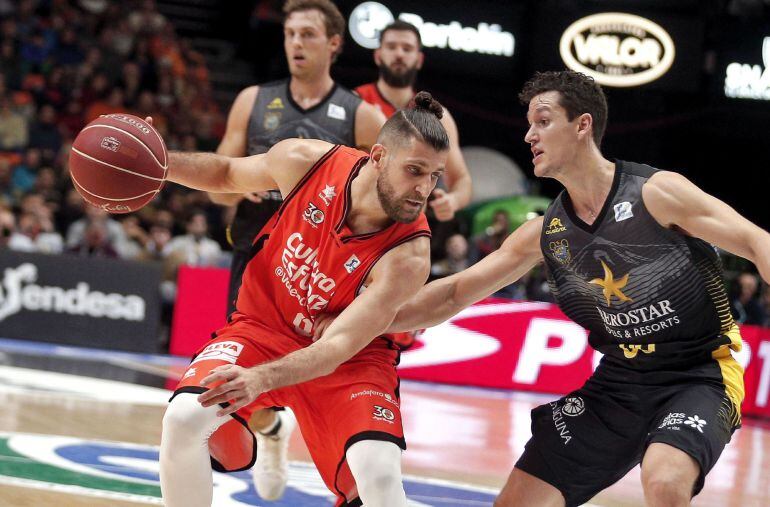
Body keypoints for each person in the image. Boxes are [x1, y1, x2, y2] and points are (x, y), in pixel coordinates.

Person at [336, 71, 770, 507]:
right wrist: (355, 321)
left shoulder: (656, 194)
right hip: (621, 380)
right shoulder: (545, 233)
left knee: (665, 479)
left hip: (702, 371)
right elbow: (453, 294)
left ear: (582, 125)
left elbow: (757, 241)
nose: (529, 135)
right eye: (529, 124)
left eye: (542, 121)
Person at [158, 92, 449, 507]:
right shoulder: (307, 161)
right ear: (379, 156)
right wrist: (160, 162)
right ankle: (269, 429)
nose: (423, 189)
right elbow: (224, 173)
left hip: (349, 362)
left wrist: (260, 379)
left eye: (435, 176)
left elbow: (336, 348)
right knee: (183, 418)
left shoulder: (410, 254)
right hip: (263, 329)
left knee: (380, 480)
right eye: (414, 171)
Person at [206, 0, 386, 497]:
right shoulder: (253, 100)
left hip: (326, 275)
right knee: (241, 385)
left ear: (333, 43)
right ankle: (271, 431)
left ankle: (354, 476)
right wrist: (235, 181)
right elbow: (218, 177)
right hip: (259, 264)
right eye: (289, 34)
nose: (296, 44)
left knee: (323, 383)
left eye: (308, 34)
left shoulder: (362, 116)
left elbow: (384, 203)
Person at [354, 20, 472, 223]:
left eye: (407, 48)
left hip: (405, 231)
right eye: (391, 47)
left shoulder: (437, 115)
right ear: (378, 55)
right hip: (355, 220)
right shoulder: (354, 103)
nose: (399, 53)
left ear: (419, 59)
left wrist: (452, 201)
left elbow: (462, 180)